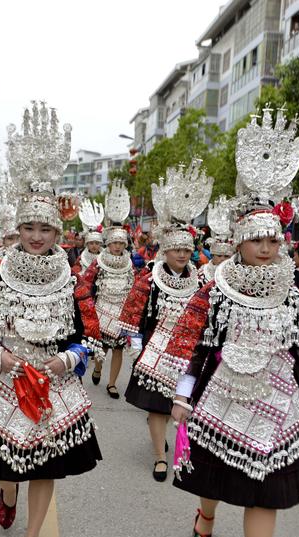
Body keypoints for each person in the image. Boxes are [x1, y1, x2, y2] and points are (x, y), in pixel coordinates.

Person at [164, 110, 299, 537]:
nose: (267, 246)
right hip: (223, 394)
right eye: (257, 237)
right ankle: (206, 513)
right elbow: (197, 344)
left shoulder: (293, 293)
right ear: (238, 240)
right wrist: (183, 395)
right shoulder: (216, 289)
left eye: (274, 238)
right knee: (215, 476)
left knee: (267, 487)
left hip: (277, 402)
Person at [0, 102, 102, 537]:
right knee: (5, 463)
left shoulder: (73, 277)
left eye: (45, 228)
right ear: (16, 229)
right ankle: (5, 489)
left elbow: (90, 335)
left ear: (59, 231)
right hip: (4, 380)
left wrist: (69, 361)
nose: (36, 236)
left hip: (53, 383)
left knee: (46, 467)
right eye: (29, 227)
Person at [120, 159, 210, 482]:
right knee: (157, 405)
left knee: (182, 401)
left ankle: (175, 442)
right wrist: (134, 344)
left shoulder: (200, 282)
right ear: (166, 252)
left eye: (187, 251)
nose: (182, 256)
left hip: (189, 350)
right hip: (156, 346)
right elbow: (132, 311)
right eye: (177, 251)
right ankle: (160, 455)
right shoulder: (149, 277)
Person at [83, 186, 134, 399]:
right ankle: (97, 368)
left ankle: (112, 383)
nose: (118, 246)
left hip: (121, 310)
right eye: (114, 242)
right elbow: (86, 284)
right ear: (108, 243)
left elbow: (134, 286)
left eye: (121, 242)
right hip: (102, 309)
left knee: (119, 349)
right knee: (102, 348)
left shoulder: (130, 261)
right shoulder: (99, 261)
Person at [199, 201, 234, 284]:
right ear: (211, 255)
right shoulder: (202, 272)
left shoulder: (236, 275)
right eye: (219, 256)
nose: (222, 259)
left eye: (226, 256)